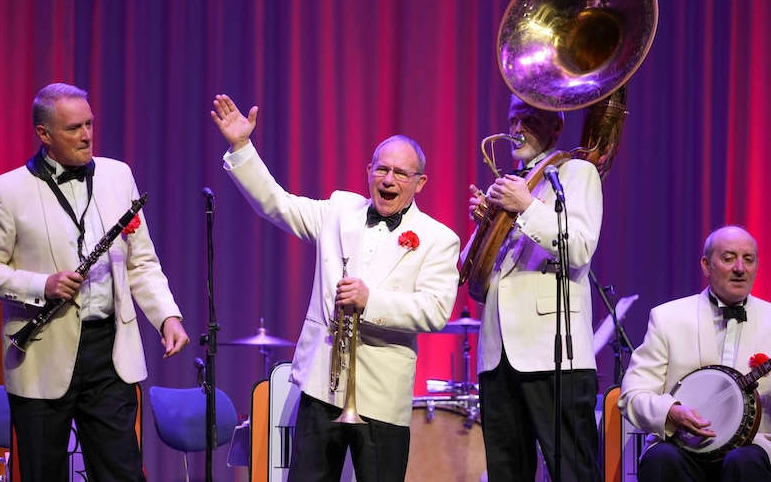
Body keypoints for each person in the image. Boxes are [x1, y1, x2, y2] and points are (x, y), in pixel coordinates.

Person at [210, 94, 460, 481]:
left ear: (420, 182)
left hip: (381, 395)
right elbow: (279, 205)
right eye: (382, 170)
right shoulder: (340, 211)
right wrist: (242, 146)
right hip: (321, 388)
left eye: (400, 173)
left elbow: (435, 310)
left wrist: (370, 300)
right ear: (369, 171)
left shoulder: (438, 238)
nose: (388, 180)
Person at [0, 83, 189, 481]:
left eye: (89, 124)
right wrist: (42, 285)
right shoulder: (7, 191)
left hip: (109, 351)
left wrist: (167, 318)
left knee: (122, 473)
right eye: (73, 128)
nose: (86, 135)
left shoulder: (118, 176)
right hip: (40, 352)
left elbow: (140, 262)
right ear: (44, 134)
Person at [464, 94, 603, 481]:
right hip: (497, 355)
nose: (517, 129)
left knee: (572, 470)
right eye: (513, 120)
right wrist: (484, 225)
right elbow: (471, 278)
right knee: (506, 472)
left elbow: (579, 247)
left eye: (529, 119)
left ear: (556, 127)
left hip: (553, 352)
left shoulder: (575, 172)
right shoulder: (510, 186)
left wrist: (525, 207)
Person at [618, 226, 771, 481]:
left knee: (743, 461)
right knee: (661, 459)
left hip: (753, 449)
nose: (740, 268)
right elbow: (632, 395)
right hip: (683, 448)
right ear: (706, 265)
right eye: (729, 257)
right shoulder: (668, 318)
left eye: (748, 259)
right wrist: (671, 413)